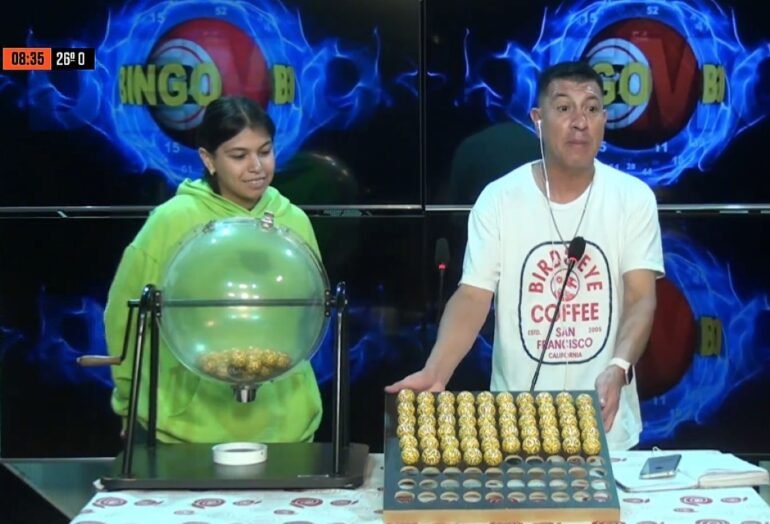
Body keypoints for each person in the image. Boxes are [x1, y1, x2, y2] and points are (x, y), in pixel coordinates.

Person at [386, 61, 664, 450]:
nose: (580, 122)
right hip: (516, 428)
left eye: (591, 108)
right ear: (538, 119)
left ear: (604, 120)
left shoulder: (633, 198)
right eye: (564, 108)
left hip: (605, 424)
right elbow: (473, 296)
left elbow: (640, 298)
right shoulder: (499, 199)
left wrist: (618, 367)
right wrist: (437, 371)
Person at [104, 96, 322, 444]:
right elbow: (124, 318)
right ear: (208, 159)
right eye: (239, 155)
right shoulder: (171, 221)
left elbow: (309, 315)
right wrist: (128, 401)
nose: (256, 166)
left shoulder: (294, 221)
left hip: (286, 429)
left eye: (265, 151)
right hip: (186, 431)